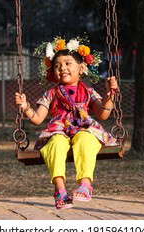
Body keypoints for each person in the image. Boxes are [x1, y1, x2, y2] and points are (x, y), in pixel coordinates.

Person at [14, 35, 118, 210]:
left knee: (85, 140)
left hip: (84, 129)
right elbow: (38, 118)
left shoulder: (88, 92)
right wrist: (25, 107)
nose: (62, 68)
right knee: (55, 143)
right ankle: (60, 191)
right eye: (57, 65)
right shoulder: (52, 93)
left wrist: (109, 96)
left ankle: (85, 185)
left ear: (82, 68)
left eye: (68, 63)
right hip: (59, 130)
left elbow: (103, 114)